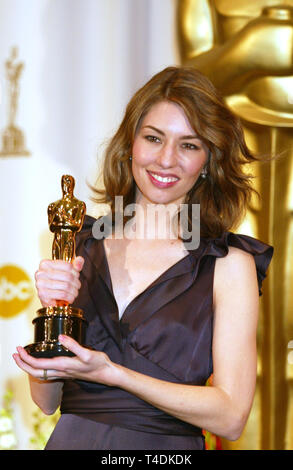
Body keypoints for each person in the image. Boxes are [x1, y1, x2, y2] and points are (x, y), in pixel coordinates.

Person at [13, 66, 273, 450]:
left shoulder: (229, 263)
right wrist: (52, 313)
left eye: (189, 145)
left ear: (208, 161)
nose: (166, 159)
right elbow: (47, 401)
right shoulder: (82, 245)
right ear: (130, 145)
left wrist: (114, 374)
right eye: (154, 138)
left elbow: (231, 416)